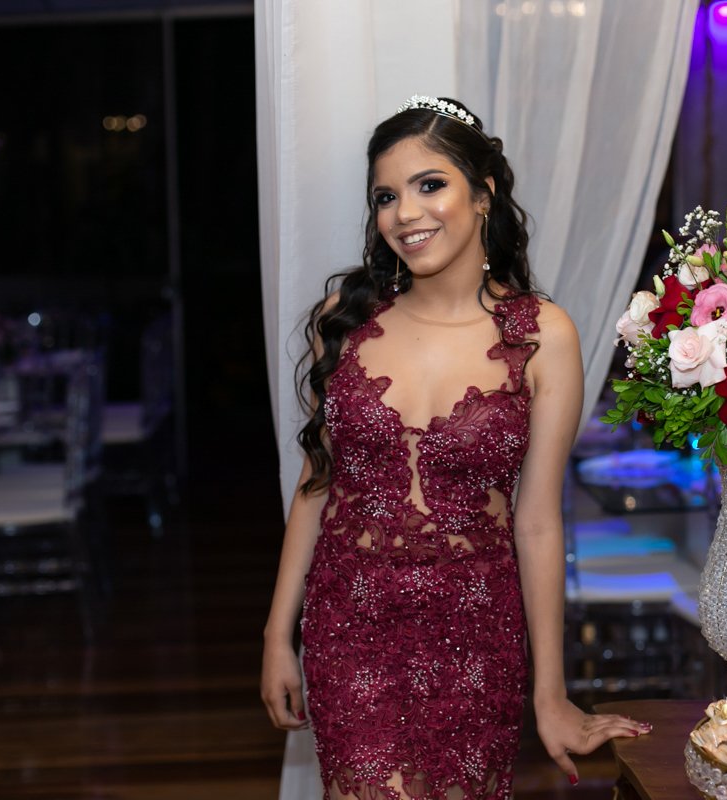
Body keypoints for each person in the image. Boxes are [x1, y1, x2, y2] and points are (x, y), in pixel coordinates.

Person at [260, 96, 650, 800]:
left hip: (476, 632)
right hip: (350, 625)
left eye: (429, 184)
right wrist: (275, 636)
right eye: (386, 196)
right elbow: (317, 485)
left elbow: (537, 522)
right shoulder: (344, 322)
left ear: (483, 194)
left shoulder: (542, 335)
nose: (405, 213)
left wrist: (551, 693)